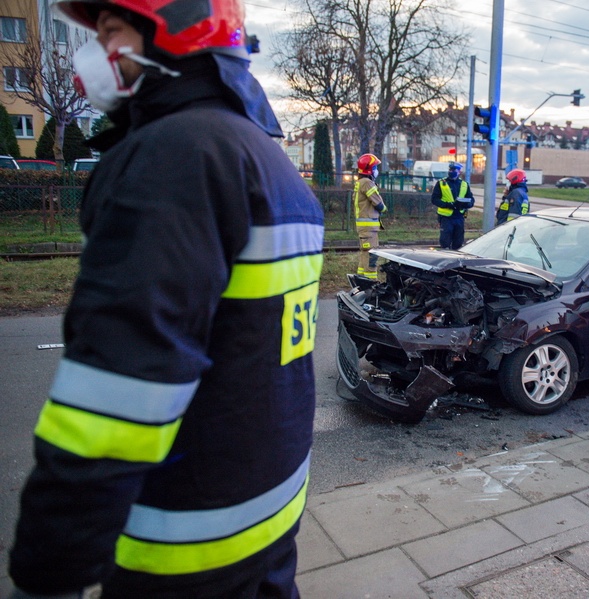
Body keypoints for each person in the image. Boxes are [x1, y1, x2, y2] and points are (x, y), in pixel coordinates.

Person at [7, 0, 324, 597]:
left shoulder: (175, 155)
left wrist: (49, 572)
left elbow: (113, 402)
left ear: (176, 26)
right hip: (266, 530)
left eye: (110, 30)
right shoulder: (267, 160)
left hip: (180, 553)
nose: (95, 53)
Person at [354, 153, 387, 279]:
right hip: (369, 228)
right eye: (375, 167)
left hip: (364, 228)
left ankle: (361, 281)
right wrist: (384, 208)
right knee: (371, 256)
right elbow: (379, 204)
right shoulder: (367, 183)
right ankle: (371, 284)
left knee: (364, 255)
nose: (376, 170)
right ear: (369, 169)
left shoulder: (360, 182)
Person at [430, 161, 474, 250]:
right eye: (450, 169)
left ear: (459, 172)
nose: (451, 171)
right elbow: (434, 199)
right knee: (445, 241)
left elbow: (471, 199)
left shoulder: (464, 184)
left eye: (454, 170)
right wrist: (448, 205)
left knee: (458, 242)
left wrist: (467, 204)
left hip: (459, 216)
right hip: (446, 217)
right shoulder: (441, 183)